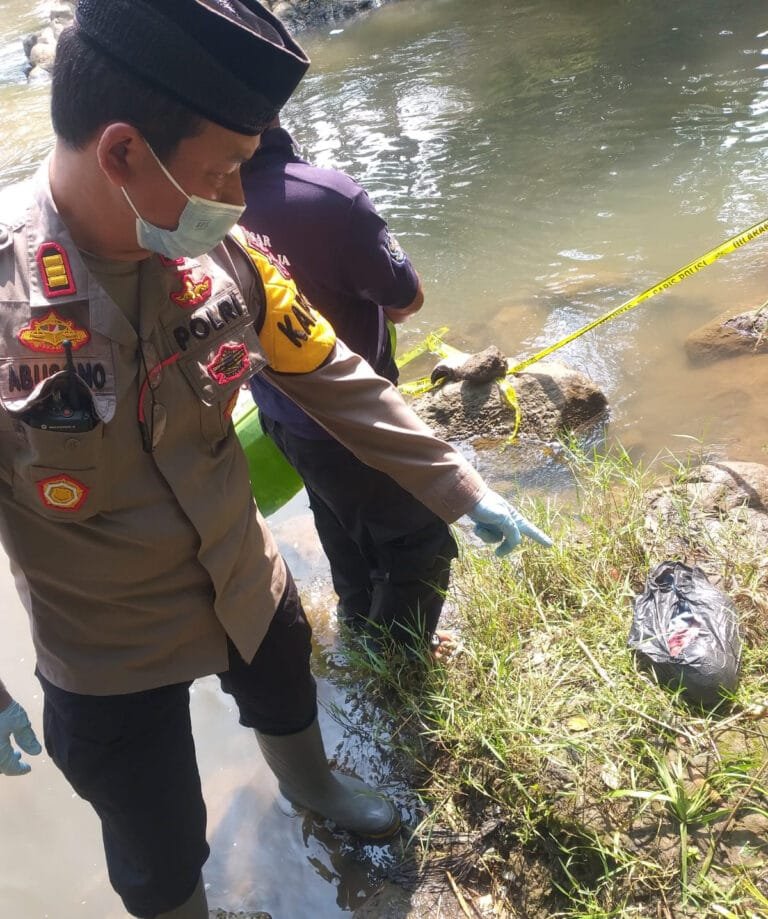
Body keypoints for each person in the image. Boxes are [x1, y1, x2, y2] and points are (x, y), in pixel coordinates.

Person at [0, 2, 551, 918]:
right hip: (104, 643)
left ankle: (315, 790)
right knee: (155, 836)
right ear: (124, 153)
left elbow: (328, 369)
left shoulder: (218, 246)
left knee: (286, 686)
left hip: (244, 576)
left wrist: (456, 484)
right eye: (221, 168)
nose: (235, 192)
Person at [243, 121, 457, 654]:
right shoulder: (328, 196)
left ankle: (360, 624)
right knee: (423, 541)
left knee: (339, 519)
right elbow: (406, 301)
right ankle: (398, 658)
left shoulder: (200, 209)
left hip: (281, 412)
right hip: (357, 414)